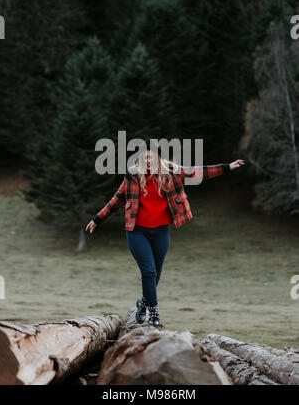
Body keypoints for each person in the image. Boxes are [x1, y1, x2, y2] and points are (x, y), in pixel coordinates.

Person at [85, 138, 245, 328]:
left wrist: (228, 167)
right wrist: (97, 219)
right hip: (137, 232)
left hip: (161, 232)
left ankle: (142, 303)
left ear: (158, 158)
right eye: (144, 158)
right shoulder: (133, 176)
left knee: (156, 275)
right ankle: (154, 314)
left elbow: (199, 172)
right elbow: (117, 200)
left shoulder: (172, 173)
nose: (148, 161)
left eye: (151, 157)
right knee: (149, 272)